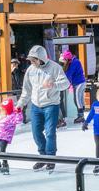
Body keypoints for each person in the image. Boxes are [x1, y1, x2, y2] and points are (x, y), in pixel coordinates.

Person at [18, 45, 70, 173]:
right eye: (30, 60)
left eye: (33, 60)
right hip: (36, 106)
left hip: (51, 105)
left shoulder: (55, 67)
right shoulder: (30, 70)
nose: (31, 62)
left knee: (50, 132)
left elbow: (66, 83)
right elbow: (26, 90)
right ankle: (43, 156)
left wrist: (53, 85)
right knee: (36, 132)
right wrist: (20, 104)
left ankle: (51, 158)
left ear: (41, 58)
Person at [0, 97, 22, 175]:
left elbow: (19, 120)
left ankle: (5, 165)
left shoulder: (12, 116)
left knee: (2, 152)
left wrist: (19, 112)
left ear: (8, 109)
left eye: (3, 109)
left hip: (4, 138)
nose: (1, 110)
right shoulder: (2, 115)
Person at [60, 50, 87, 126]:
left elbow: (69, 74)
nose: (64, 61)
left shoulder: (74, 63)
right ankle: (81, 115)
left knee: (77, 99)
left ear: (67, 59)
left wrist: (64, 83)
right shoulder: (74, 61)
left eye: (64, 59)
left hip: (79, 83)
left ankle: (81, 116)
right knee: (80, 99)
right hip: (80, 82)